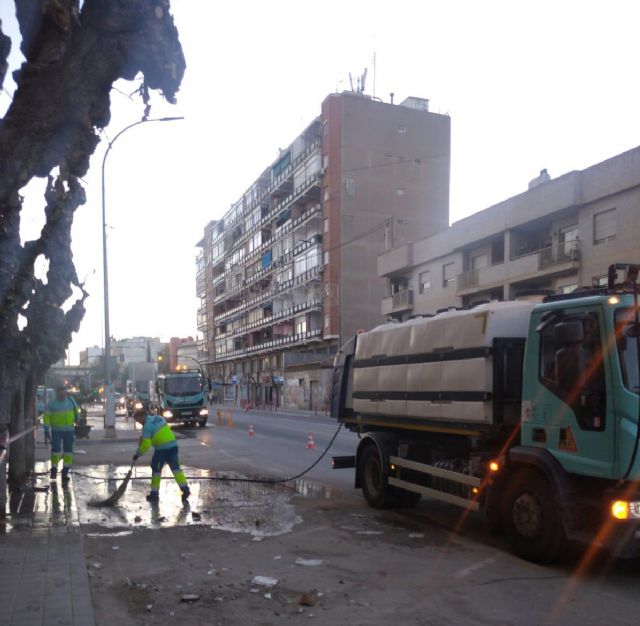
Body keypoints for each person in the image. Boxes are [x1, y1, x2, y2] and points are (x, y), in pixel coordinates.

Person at [133, 408, 190, 502]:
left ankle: (154, 495)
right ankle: (185, 490)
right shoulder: (159, 417)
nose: (139, 422)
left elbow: (146, 444)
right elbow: (158, 432)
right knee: (176, 469)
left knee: (156, 470)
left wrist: (138, 454)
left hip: (161, 450)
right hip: (173, 446)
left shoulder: (146, 427)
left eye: (138, 420)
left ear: (142, 417)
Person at [43, 385, 79, 481]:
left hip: (69, 430)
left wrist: (78, 419)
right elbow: (46, 417)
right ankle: (54, 469)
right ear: (57, 393)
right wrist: (46, 429)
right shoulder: (52, 404)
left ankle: (65, 471)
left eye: (65, 393)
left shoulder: (71, 400)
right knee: (56, 450)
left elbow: (76, 411)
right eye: (61, 393)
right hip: (56, 431)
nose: (63, 395)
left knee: (68, 451)